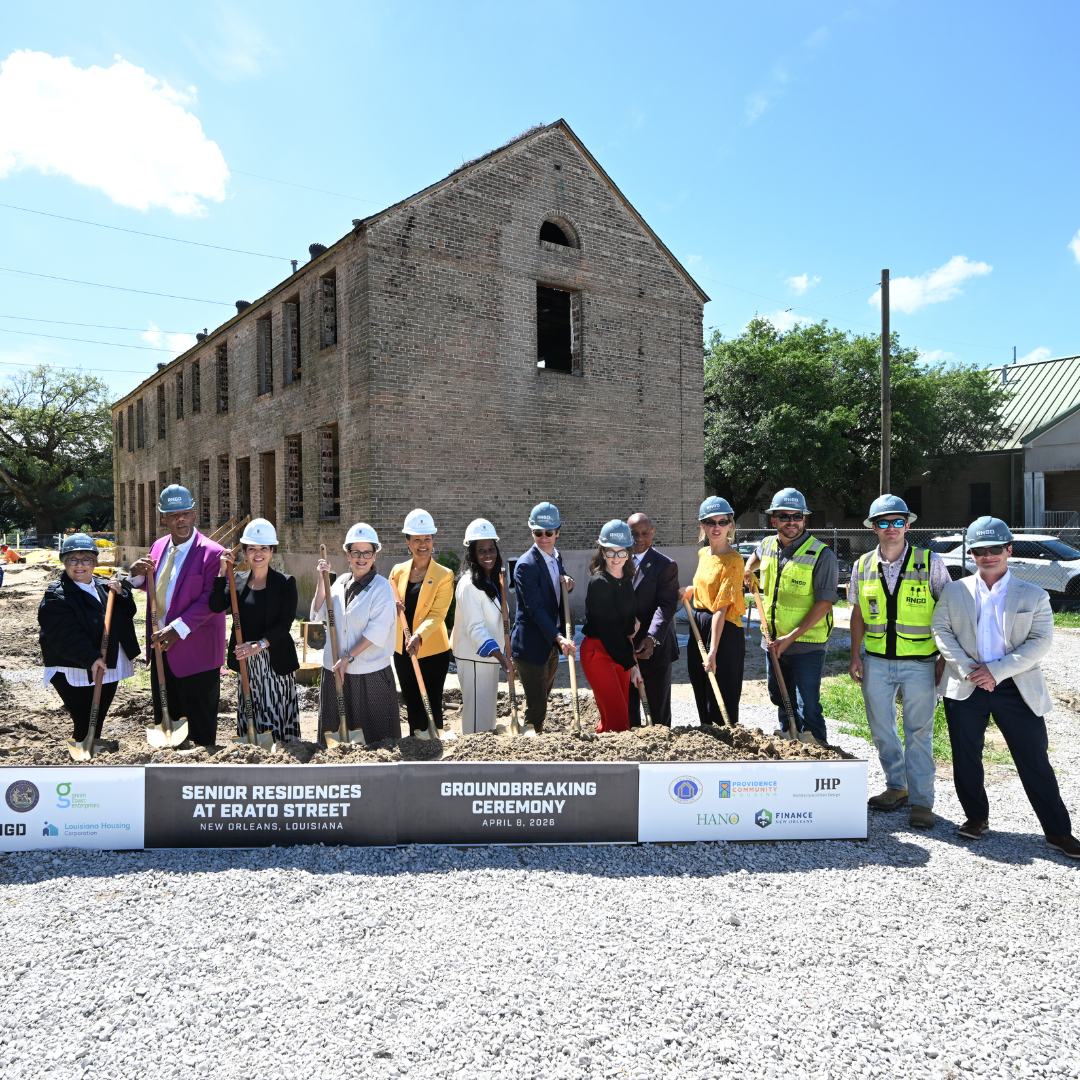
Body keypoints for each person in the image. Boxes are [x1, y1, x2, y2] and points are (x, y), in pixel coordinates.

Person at [932, 517, 1079, 858]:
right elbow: (941, 630)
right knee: (966, 757)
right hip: (967, 685)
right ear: (972, 554)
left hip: (1016, 688)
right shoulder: (955, 590)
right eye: (979, 551)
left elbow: (1040, 642)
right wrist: (970, 670)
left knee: (1034, 759)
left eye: (994, 549)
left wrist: (995, 672)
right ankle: (975, 818)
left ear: (1009, 550)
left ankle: (1057, 832)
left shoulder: (1035, 594)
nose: (987, 556)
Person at [848, 494, 950, 829]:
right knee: (881, 727)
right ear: (873, 527)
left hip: (920, 662)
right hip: (876, 662)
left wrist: (943, 658)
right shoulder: (862, 565)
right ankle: (897, 786)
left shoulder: (930, 561)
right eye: (883, 522)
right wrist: (855, 656)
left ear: (907, 525)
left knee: (919, 732)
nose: (891, 528)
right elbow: (859, 613)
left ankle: (922, 802)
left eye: (897, 522)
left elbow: (948, 612)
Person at [128, 485, 226, 747]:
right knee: (166, 721)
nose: (180, 519)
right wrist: (135, 573)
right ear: (164, 519)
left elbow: (210, 600)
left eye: (185, 513)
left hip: (197, 653)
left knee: (199, 730)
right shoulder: (158, 547)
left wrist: (177, 629)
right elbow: (154, 587)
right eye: (173, 515)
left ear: (194, 515)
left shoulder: (212, 553)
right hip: (162, 649)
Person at [744, 487, 837, 745]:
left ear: (804, 520)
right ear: (774, 520)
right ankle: (789, 746)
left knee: (807, 703)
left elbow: (825, 604)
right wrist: (747, 569)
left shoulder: (821, 555)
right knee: (781, 699)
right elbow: (755, 557)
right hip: (773, 641)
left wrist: (790, 638)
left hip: (806, 644)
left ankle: (819, 752)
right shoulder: (767, 545)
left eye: (797, 516)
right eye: (784, 516)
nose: (791, 521)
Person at [38, 534, 139, 743]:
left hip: (107, 663)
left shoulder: (104, 588)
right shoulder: (57, 595)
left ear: (95, 562)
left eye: (86, 560)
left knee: (97, 718)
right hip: (75, 666)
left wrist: (123, 595)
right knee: (84, 721)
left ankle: (93, 751)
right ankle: (82, 758)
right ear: (64, 562)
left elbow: (125, 615)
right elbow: (64, 634)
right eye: (73, 560)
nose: (79, 565)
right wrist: (90, 657)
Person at [208, 518, 300, 742]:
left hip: (274, 660)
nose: (258, 553)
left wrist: (258, 646)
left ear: (271, 551)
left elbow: (285, 624)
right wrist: (222, 573)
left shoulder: (285, 583)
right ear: (245, 553)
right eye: (252, 549)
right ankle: (252, 752)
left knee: (275, 715)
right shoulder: (236, 580)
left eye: (264, 548)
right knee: (252, 711)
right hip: (246, 662)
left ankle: (281, 756)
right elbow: (216, 605)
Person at [310, 522, 398, 743]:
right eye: (356, 552)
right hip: (336, 672)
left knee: (375, 741)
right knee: (335, 741)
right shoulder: (339, 583)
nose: (361, 557)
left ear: (375, 555)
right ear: (347, 554)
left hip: (369, 675)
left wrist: (348, 657)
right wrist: (322, 580)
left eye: (367, 552)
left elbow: (377, 630)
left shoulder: (382, 588)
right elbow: (318, 613)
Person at [510, 501, 576, 735]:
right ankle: (526, 746)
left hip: (549, 643)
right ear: (532, 532)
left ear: (558, 532)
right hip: (531, 645)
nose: (544, 537)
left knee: (542, 699)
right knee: (537, 705)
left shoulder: (555, 557)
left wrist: (566, 579)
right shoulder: (525, 566)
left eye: (549, 533)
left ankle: (531, 735)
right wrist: (559, 638)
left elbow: (554, 584)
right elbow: (536, 609)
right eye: (538, 533)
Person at [679, 497, 746, 727]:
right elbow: (708, 586)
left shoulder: (735, 560)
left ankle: (726, 740)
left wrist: (713, 651)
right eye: (710, 522)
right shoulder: (703, 554)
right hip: (699, 622)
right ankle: (708, 737)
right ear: (703, 526)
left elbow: (721, 607)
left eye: (722, 521)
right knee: (700, 684)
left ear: (730, 525)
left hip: (724, 630)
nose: (716, 527)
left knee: (722, 692)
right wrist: (691, 589)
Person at [389, 509, 455, 736]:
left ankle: (434, 742)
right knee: (411, 700)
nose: (422, 544)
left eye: (427, 539)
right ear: (408, 542)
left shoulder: (444, 575)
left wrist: (419, 635)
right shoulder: (397, 572)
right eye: (417, 539)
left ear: (433, 541)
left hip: (432, 650)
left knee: (432, 700)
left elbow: (438, 614)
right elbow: (390, 605)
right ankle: (416, 743)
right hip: (404, 650)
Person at [579, 521, 643, 732]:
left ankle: (602, 756)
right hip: (598, 653)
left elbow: (624, 617)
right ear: (602, 551)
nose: (616, 558)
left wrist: (633, 622)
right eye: (610, 552)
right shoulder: (600, 583)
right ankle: (612, 763)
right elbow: (610, 630)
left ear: (628, 552)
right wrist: (631, 664)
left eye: (621, 552)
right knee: (618, 721)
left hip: (619, 649)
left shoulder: (625, 578)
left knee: (615, 719)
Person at [451, 518, 511, 734]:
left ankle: (484, 756)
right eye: (482, 550)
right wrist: (502, 658)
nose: (488, 555)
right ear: (472, 555)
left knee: (486, 710)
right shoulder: (468, 585)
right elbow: (476, 630)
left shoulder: (491, 580)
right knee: (477, 715)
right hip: (475, 657)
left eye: (492, 549)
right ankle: (473, 759)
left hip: (491, 657)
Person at [626, 513, 679, 728]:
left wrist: (652, 637)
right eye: (634, 534)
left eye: (644, 533)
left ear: (652, 533)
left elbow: (666, 605)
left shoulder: (665, 565)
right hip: (626, 649)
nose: (639, 538)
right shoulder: (617, 560)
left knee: (658, 712)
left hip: (655, 647)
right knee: (629, 711)